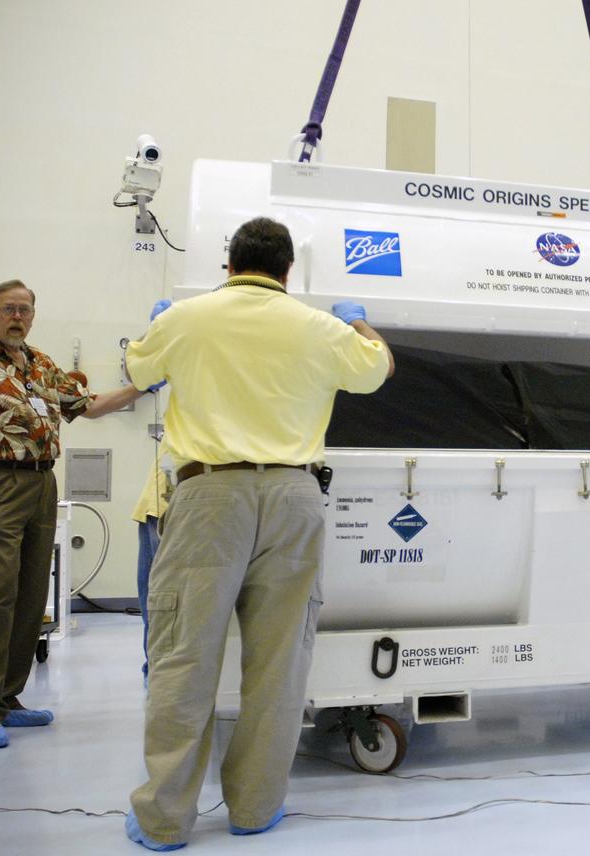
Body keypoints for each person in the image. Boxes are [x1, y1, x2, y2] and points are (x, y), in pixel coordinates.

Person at [123, 217, 393, 851]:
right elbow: (377, 369)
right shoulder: (320, 329)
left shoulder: (187, 318)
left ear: (229, 264)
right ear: (288, 271)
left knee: (184, 655)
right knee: (278, 662)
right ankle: (255, 807)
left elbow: (136, 373)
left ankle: (164, 819)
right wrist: (356, 321)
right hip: (296, 496)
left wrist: (160, 323)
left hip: (209, 493)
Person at [0, 279, 149, 750]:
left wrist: (142, 386)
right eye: (9, 308)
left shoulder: (40, 364)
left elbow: (88, 407)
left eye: (25, 310)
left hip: (41, 482)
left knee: (32, 595)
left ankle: (10, 700)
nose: (18, 317)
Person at [131, 453, 169, 680]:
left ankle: (159, 668)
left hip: (165, 504)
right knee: (153, 595)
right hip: (156, 505)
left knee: (161, 595)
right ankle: (156, 666)